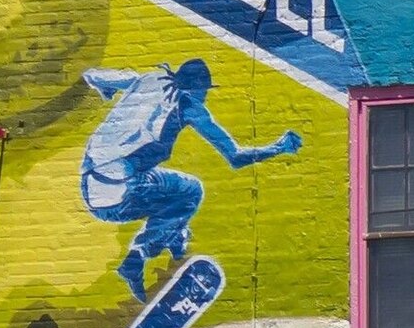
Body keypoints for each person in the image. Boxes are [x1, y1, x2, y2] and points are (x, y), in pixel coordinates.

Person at [77, 60, 301, 299]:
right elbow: (235, 157)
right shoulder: (189, 108)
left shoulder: (149, 79)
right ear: (194, 89)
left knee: (179, 189)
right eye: (204, 91)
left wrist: (105, 89)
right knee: (191, 193)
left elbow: (93, 75)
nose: (205, 97)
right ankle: (138, 257)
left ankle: (174, 236)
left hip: (91, 190)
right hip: (119, 200)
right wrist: (278, 147)